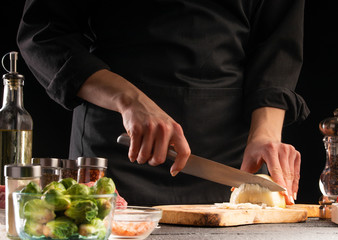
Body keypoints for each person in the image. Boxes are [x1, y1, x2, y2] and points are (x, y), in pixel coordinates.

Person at [17, 0, 309, 206]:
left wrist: (266, 135)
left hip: (228, 161)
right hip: (117, 149)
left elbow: (277, 45)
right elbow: (44, 32)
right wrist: (129, 100)